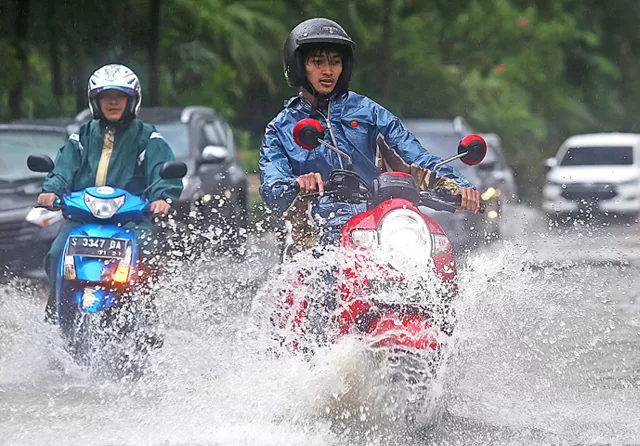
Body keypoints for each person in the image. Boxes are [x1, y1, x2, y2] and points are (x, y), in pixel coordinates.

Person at [259, 18, 481, 252]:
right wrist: (297, 184)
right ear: (298, 66)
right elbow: (272, 187)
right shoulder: (280, 128)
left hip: (380, 225)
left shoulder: (368, 111)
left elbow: (417, 156)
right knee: (306, 280)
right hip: (314, 237)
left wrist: (460, 186)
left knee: (434, 261)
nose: (328, 70)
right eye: (317, 62)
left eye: (336, 62)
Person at [38, 63, 183, 322]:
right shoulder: (81, 135)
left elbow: (162, 169)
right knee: (55, 254)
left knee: (147, 254)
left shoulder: (148, 136)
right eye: (107, 97)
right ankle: (56, 315)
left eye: (120, 97)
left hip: (131, 220)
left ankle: (145, 316)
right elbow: (63, 169)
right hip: (82, 218)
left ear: (132, 101)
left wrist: (162, 197)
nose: (113, 102)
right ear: (96, 101)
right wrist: (51, 191)